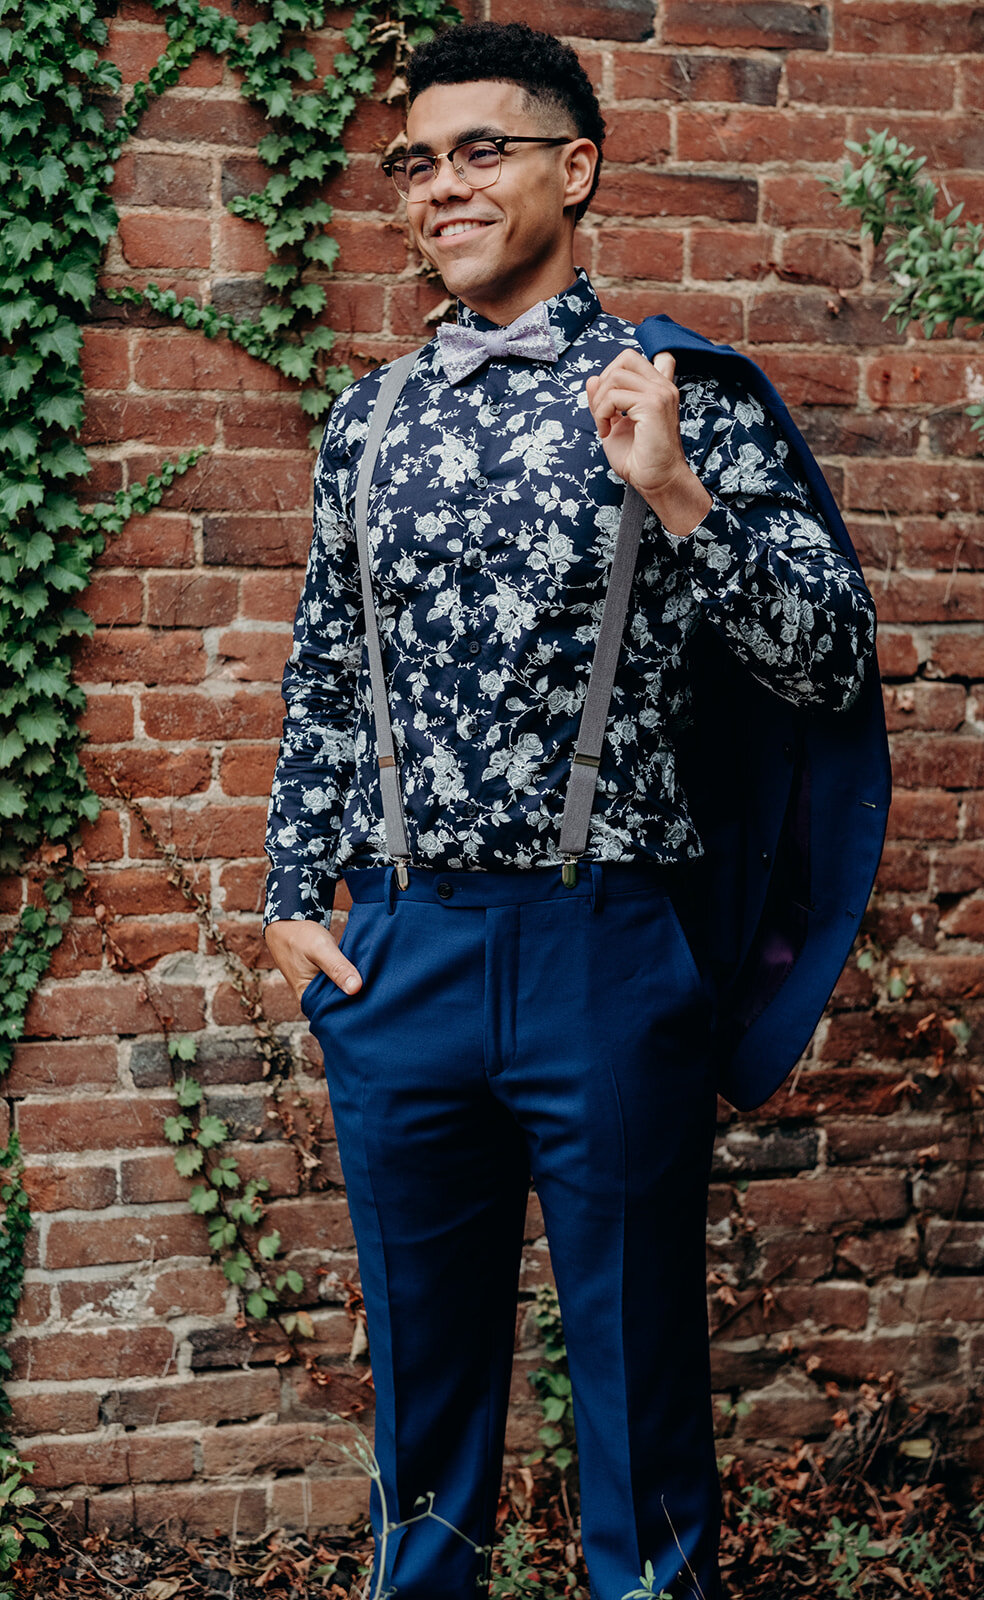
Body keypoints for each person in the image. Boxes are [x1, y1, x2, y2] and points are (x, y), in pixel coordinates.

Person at [263, 20, 885, 1599]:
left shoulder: (684, 394)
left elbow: (829, 666)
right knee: (427, 1402)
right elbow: (328, 672)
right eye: (414, 160)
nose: (438, 185)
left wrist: (673, 490)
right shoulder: (368, 422)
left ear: (575, 169)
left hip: (604, 951)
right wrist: (291, 901)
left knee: (637, 1388)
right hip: (401, 956)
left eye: (482, 150)